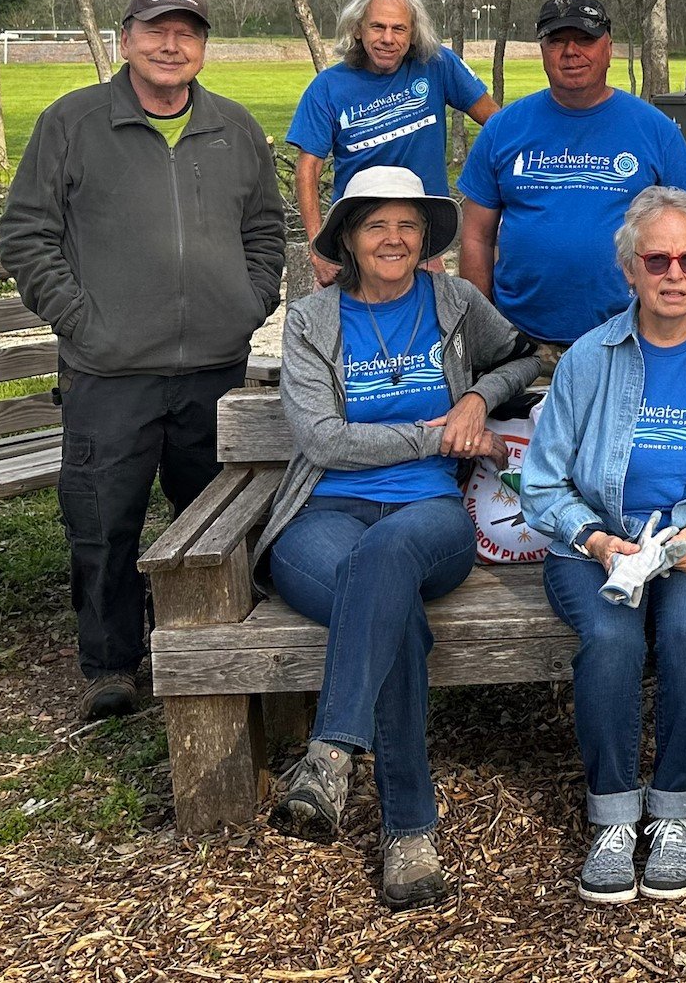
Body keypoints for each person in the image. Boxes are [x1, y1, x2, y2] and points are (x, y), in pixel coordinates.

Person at [0, 0, 285, 721]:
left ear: (202, 46)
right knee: (103, 520)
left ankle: (212, 644)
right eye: (156, 30)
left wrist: (249, 303)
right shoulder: (74, 123)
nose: (170, 44)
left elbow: (263, 230)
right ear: (126, 38)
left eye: (186, 31)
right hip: (109, 371)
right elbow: (27, 234)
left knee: (218, 517)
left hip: (213, 370)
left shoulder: (236, 128)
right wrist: (80, 318)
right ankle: (111, 664)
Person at [258, 168, 539, 910]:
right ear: (347, 237)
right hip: (319, 516)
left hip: (429, 518)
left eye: (407, 225)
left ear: (424, 238)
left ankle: (330, 754)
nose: (393, 238)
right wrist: (439, 432)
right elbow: (324, 439)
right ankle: (409, 830)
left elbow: (524, 355)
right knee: (395, 615)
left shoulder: (452, 301)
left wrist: (479, 395)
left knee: (385, 562)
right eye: (375, 224)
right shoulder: (313, 320)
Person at [519, 187, 686, 904]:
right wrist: (603, 541)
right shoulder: (587, 359)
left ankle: (672, 812)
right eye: (657, 258)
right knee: (611, 637)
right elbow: (541, 487)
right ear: (630, 269)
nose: (675, 272)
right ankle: (612, 814)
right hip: (599, 545)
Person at [456, 0, 686, 349]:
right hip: (522, 341)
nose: (571, 51)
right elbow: (477, 237)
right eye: (557, 41)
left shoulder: (654, 129)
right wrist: (483, 325)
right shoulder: (504, 129)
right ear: (542, 50)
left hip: (629, 338)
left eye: (585, 39)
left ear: (609, 48)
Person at [287, 0, 497, 288]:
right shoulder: (327, 87)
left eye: (399, 29)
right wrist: (319, 249)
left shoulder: (437, 65)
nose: (388, 39)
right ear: (357, 29)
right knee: (347, 329)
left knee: (429, 328)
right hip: (356, 240)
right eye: (377, 27)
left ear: (413, 34)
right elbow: (308, 169)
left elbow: (499, 126)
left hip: (421, 239)